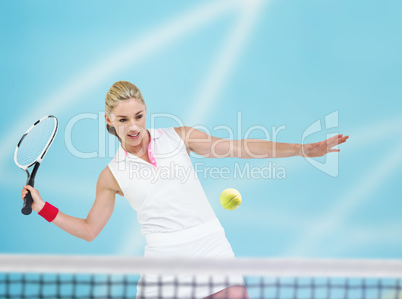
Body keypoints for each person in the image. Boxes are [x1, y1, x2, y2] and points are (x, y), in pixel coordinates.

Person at [21, 80, 349, 299]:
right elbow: (91, 229)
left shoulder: (180, 137)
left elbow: (240, 147)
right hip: (164, 265)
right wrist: (42, 208)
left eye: (138, 115)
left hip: (211, 246)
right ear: (109, 121)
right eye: (123, 120)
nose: (133, 126)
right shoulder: (111, 175)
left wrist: (302, 149)